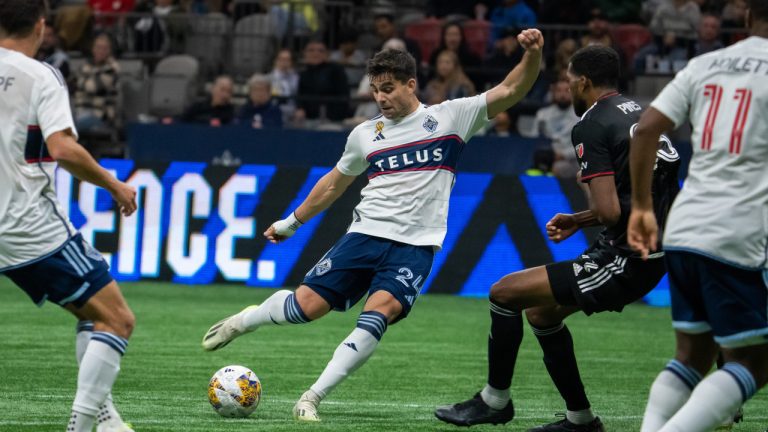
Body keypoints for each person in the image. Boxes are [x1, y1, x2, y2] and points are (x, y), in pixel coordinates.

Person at [202, 28, 545, 422]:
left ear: (411, 84)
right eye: (375, 90)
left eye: (388, 89)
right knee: (305, 307)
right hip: (364, 236)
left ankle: (311, 398)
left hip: (415, 247)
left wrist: (532, 54)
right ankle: (245, 320)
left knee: (377, 314)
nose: (380, 98)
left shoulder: (450, 117)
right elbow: (334, 183)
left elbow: (511, 89)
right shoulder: (365, 135)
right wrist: (291, 222)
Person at [434, 45, 681, 432]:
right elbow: (645, 190)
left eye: (569, 81)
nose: (567, 89)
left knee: (503, 292)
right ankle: (581, 420)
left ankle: (494, 401)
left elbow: (609, 212)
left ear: (583, 82)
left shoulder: (592, 124)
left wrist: (586, 201)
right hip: (654, 247)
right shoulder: (641, 113)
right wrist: (581, 218)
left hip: (627, 257)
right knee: (542, 313)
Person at [627, 1, 768, 431]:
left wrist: (642, 207)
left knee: (693, 355)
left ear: (746, 18)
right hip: (738, 230)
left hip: (684, 226)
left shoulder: (704, 64)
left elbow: (645, 129)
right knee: (755, 362)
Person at [0, 1, 138, 431]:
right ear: (41, 26)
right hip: (25, 223)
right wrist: (114, 184)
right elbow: (62, 148)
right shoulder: (41, 75)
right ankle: (81, 426)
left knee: (91, 314)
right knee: (117, 319)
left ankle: (106, 418)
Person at [73, 33, 120, 133]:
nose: (101, 51)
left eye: (104, 48)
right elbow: (74, 84)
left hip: (100, 116)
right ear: (93, 49)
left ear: (109, 51)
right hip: (80, 112)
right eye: (98, 47)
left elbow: (92, 87)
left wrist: (85, 78)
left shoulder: (112, 68)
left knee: (68, 129)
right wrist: (92, 76)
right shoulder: (86, 65)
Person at [294, 40, 350, 123]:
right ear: (305, 53)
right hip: (307, 119)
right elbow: (300, 95)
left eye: (320, 51)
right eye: (311, 50)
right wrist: (300, 108)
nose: (316, 53)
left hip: (332, 119)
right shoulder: (303, 73)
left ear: (327, 54)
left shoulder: (336, 70)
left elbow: (343, 96)